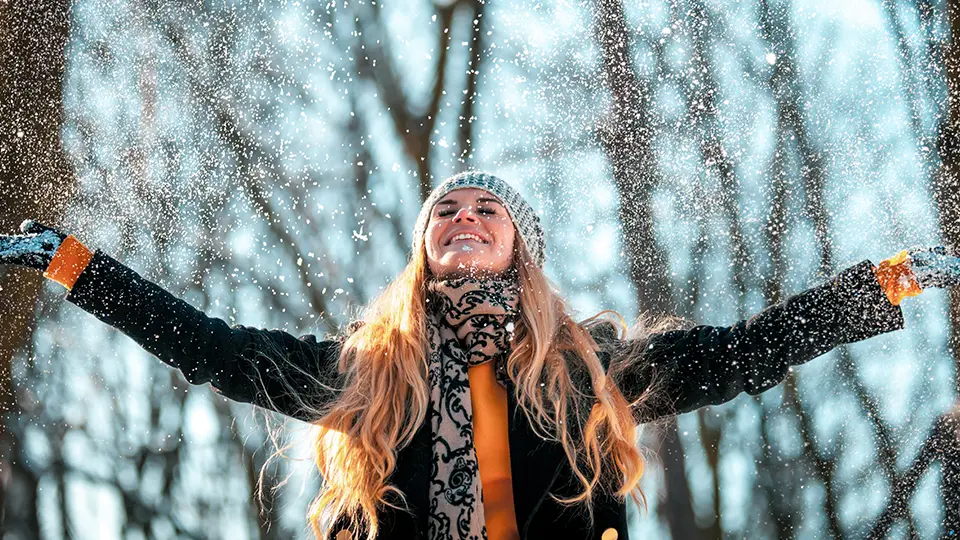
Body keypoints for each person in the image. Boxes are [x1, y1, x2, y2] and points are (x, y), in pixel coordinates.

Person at [2, 171, 957, 540]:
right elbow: (212, 347)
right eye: (444, 213)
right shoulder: (372, 372)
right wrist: (79, 268)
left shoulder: (589, 368)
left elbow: (748, 351)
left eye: (484, 209)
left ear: (519, 247)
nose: (462, 219)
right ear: (426, 248)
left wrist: (881, 286)